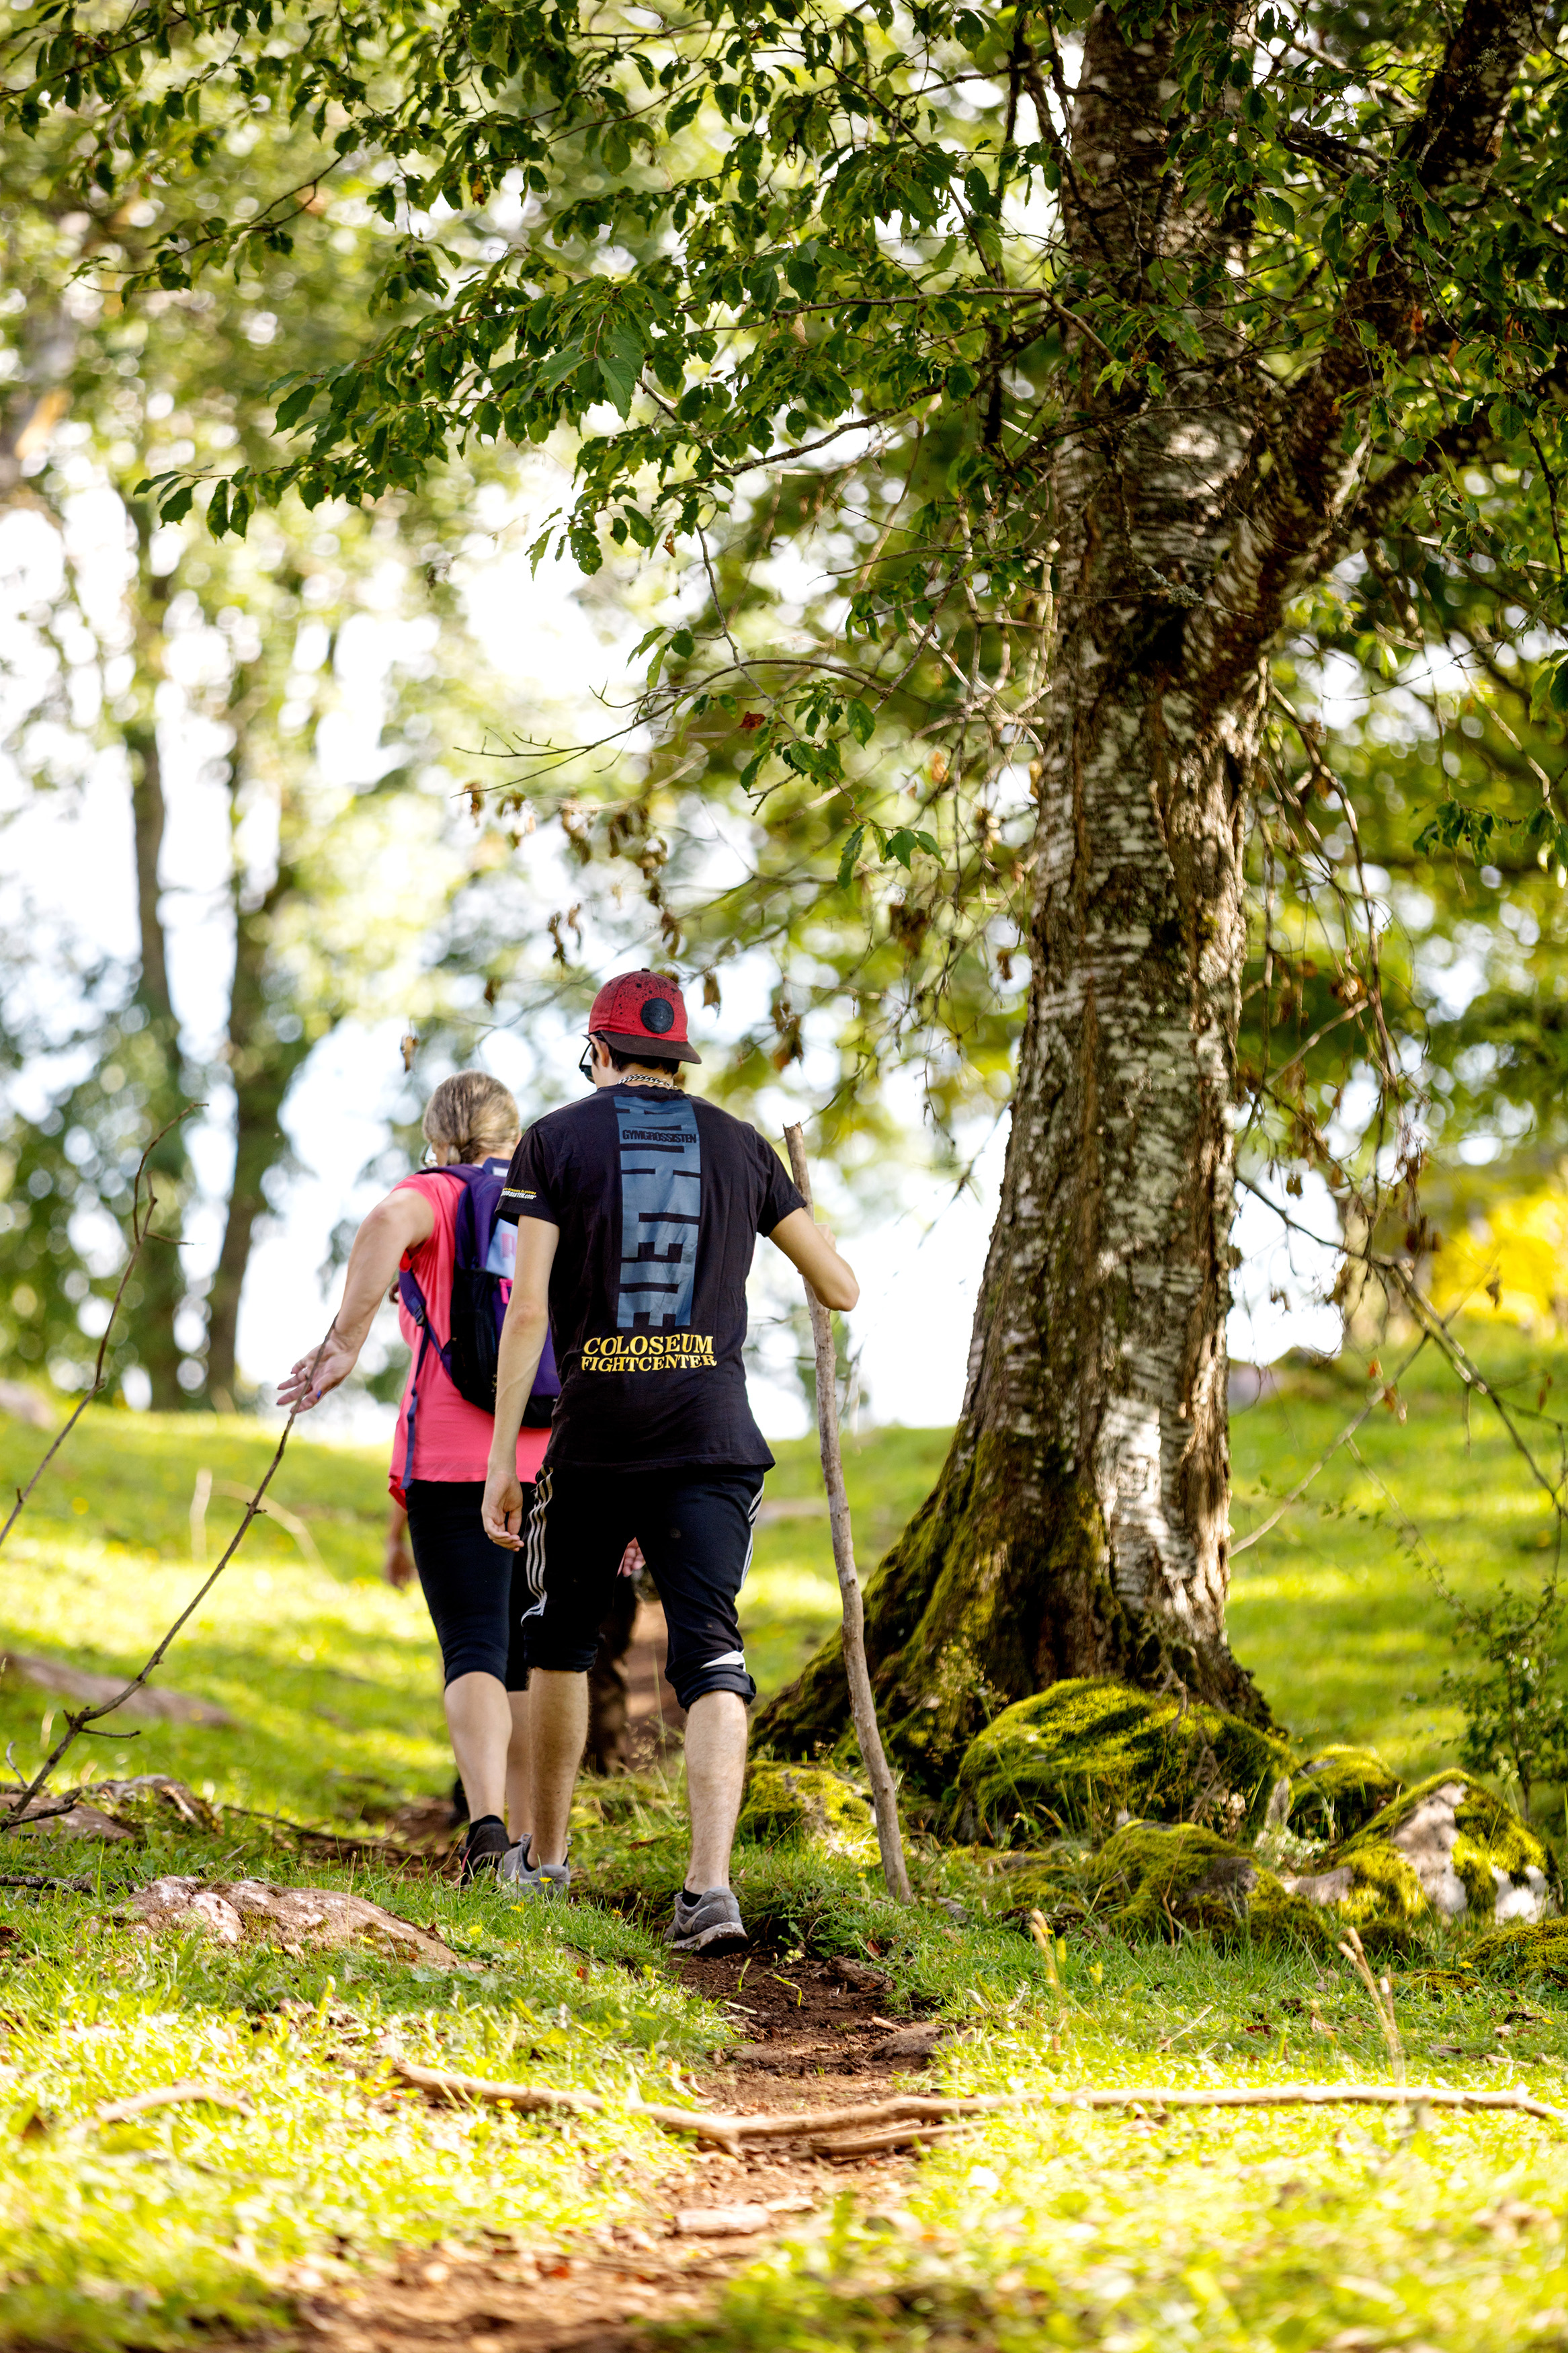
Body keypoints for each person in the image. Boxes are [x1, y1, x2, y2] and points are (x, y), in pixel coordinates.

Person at [480, 969, 859, 1953]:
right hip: (711, 1438)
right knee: (712, 1650)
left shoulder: (553, 1140)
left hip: (596, 1438)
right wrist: (776, 1197)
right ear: (677, 1057)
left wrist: (500, 1459)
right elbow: (841, 1286)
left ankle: (549, 1865)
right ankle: (709, 1894)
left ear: (599, 1054)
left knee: (558, 1637)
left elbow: (526, 1311)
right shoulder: (742, 1146)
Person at [278, 1071, 544, 1883]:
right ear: (510, 1131)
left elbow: (389, 1216)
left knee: (474, 1646)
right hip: (545, 1455)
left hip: (452, 1459)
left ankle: (490, 1829)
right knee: (528, 1658)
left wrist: (345, 1339)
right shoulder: (545, 1191)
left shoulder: (431, 1191)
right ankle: (537, 1854)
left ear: (436, 1135)